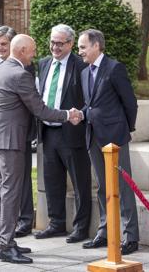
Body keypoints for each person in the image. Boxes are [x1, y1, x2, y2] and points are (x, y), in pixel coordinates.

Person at [0, 34, 71, 264]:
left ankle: (2, 240)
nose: (35, 54)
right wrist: (68, 114)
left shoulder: (0, 69)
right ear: (23, 50)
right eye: (33, 50)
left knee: (2, 190)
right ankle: (6, 244)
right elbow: (41, 110)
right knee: (11, 192)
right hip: (12, 141)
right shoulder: (20, 75)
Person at [70, 29, 139, 255]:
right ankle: (105, 232)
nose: (79, 51)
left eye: (82, 47)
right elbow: (91, 105)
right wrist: (81, 114)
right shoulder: (84, 72)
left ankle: (131, 237)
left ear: (97, 46)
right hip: (93, 137)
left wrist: (124, 130)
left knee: (123, 187)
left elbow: (129, 102)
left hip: (115, 138)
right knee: (102, 187)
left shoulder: (114, 68)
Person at [34, 24, 91, 243]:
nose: (54, 47)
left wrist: (81, 116)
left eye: (60, 43)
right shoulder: (44, 64)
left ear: (70, 44)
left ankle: (81, 227)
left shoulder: (80, 65)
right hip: (48, 132)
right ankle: (56, 223)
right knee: (52, 181)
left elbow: (89, 98)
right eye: (52, 42)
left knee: (80, 182)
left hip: (72, 133)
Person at [0, 25, 35, 237]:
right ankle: (1, 222)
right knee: (0, 181)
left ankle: (24, 220)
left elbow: (31, 101)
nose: (0, 48)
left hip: (19, 133)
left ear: (13, 45)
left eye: (4, 44)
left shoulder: (26, 65)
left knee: (21, 180)